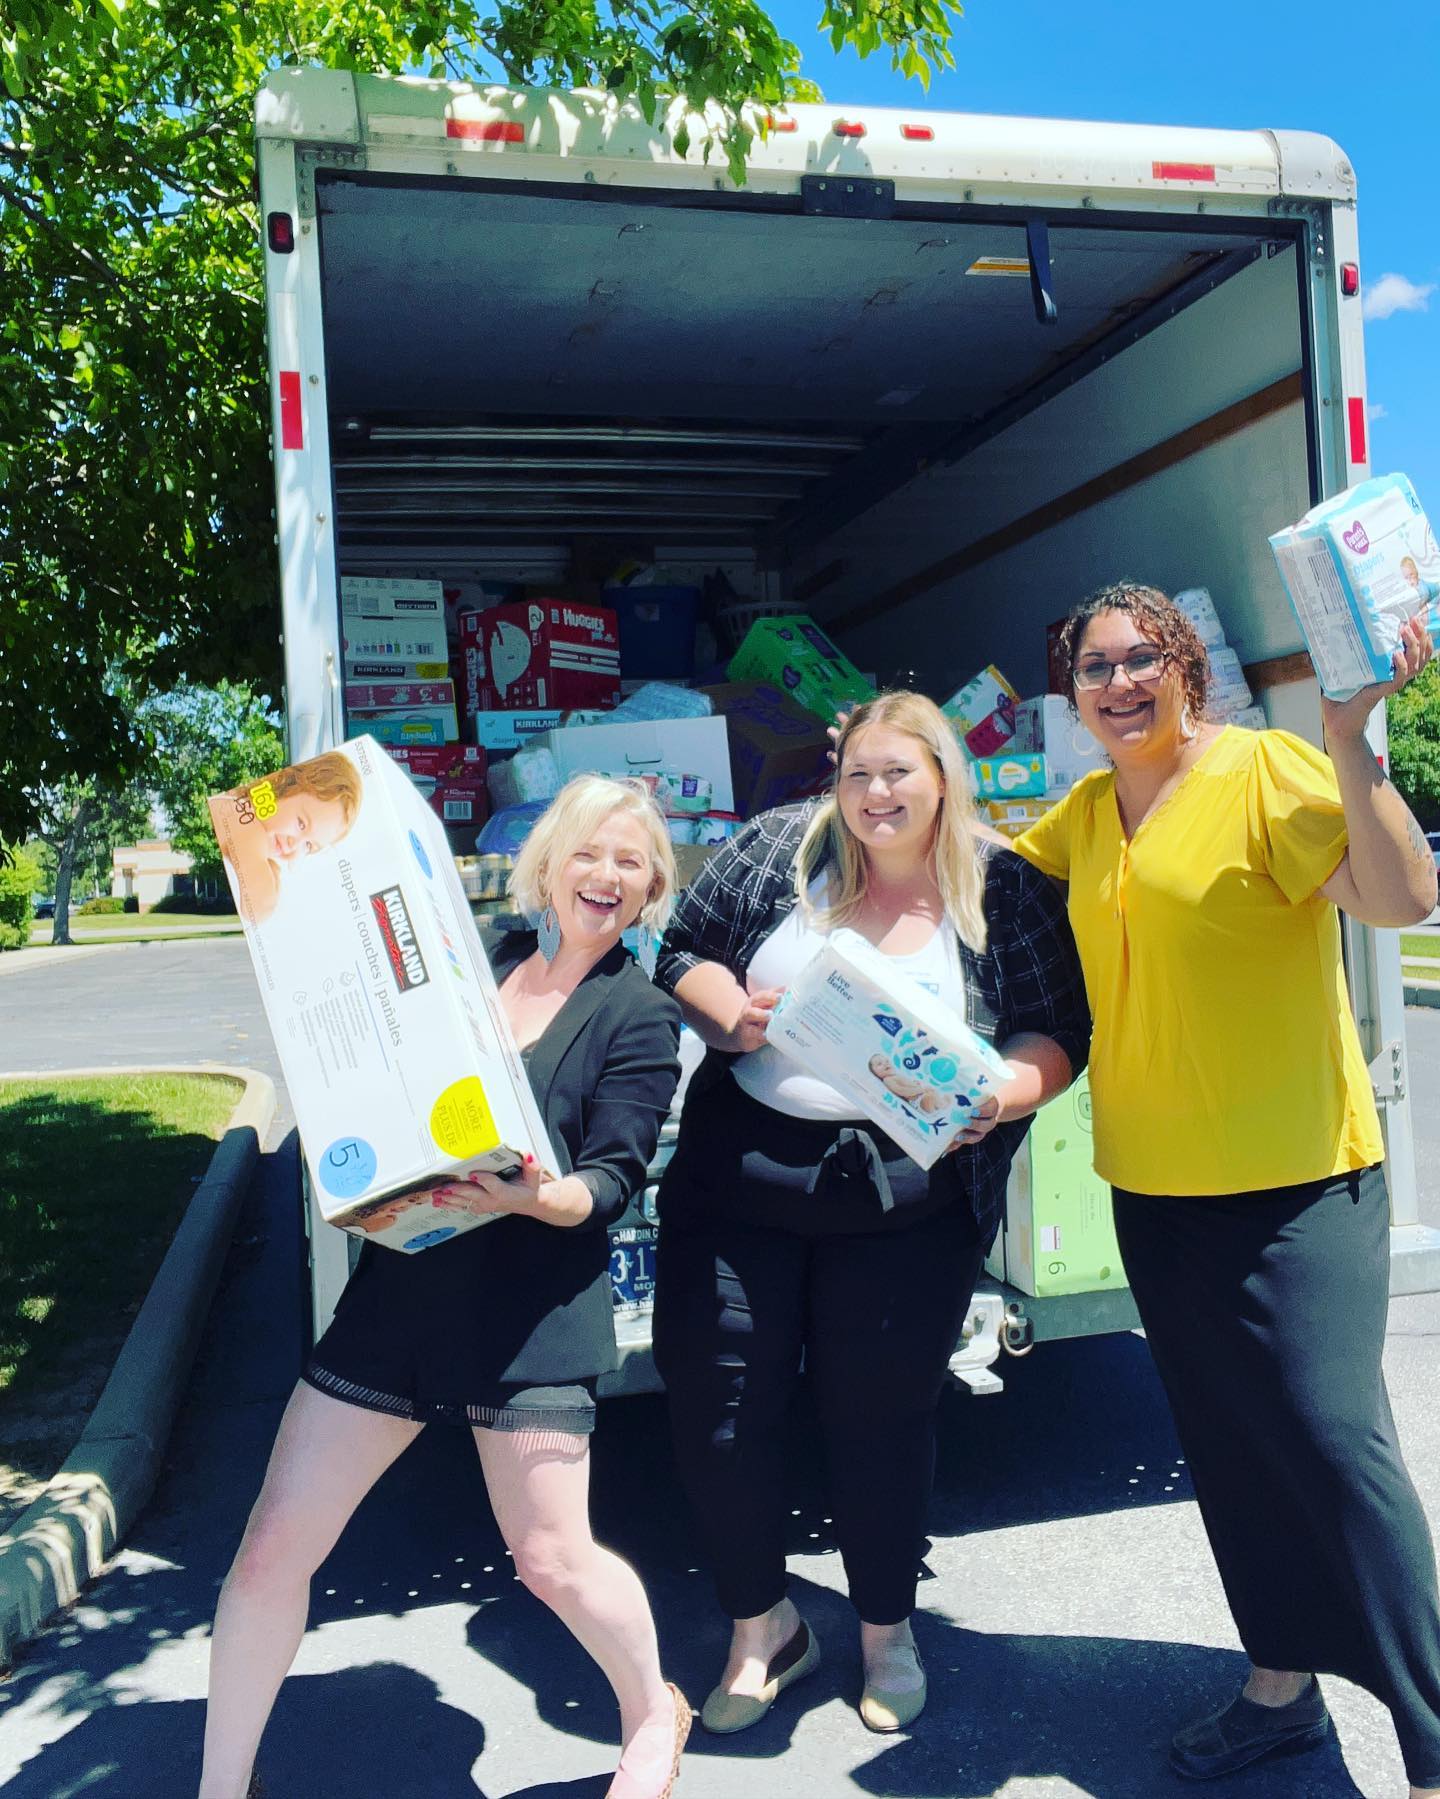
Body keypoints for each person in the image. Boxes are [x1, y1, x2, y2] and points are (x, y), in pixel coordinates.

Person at [1011, 582, 1440, 1794]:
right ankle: (1278, 1691)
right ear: (1075, 695)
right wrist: (875, 791)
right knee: (1229, 1440)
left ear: (1187, 666)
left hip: (1302, 1180)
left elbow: (1406, 898)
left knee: (1334, 1440)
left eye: (1142, 657)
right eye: (1093, 666)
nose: (1119, 681)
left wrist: (1354, 739)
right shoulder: (1087, 812)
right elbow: (972, 876)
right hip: (1154, 1187)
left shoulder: (1267, 770)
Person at [199, 775, 692, 1799]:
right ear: (548, 863)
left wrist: (535, 1193)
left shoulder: (638, 1014)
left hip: (529, 1315)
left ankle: (654, 1708)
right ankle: (220, 1783)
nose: (605, 874)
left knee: (552, 1558)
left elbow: (612, 1180)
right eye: (589, 852)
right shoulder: (477, 965)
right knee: (269, 1548)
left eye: (631, 861)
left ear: (649, 889)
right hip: (401, 1295)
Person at [650, 691, 1090, 1736]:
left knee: (882, 1422)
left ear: (943, 775)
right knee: (719, 1408)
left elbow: (1058, 1030)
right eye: (857, 773)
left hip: (907, 1199)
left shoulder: (1006, 884)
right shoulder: (777, 850)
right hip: (740, 1183)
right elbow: (680, 948)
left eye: (899, 772)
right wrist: (731, 1014)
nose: (875, 794)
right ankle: (764, 1627)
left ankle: (888, 1629)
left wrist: (1002, 1093)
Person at [214, 750, 363, 926]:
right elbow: (259, 908)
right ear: (287, 787)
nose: (295, 844)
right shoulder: (243, 819)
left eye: (309, 845)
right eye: (301, 824)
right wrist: (274, 876)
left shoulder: (257, 846)